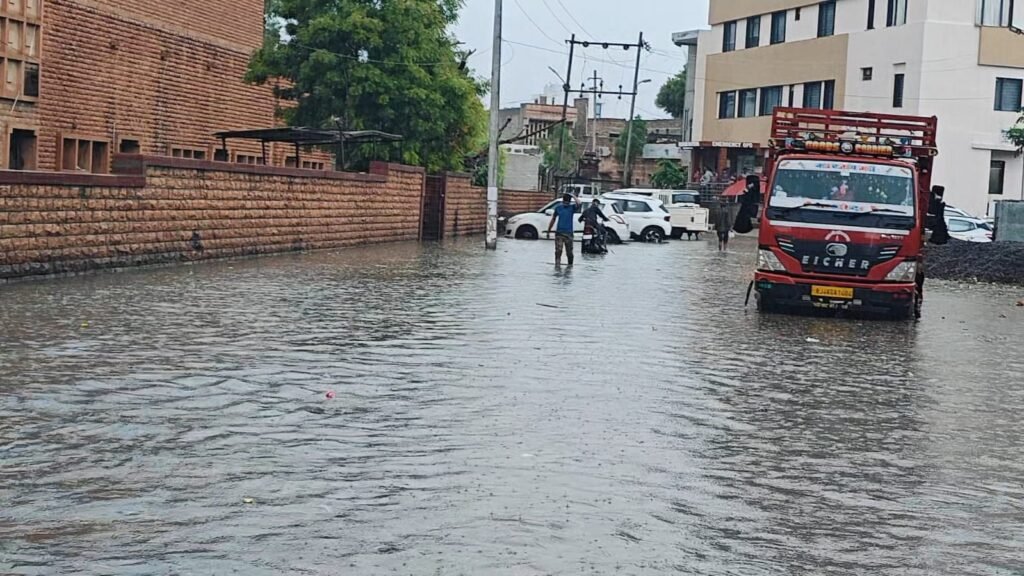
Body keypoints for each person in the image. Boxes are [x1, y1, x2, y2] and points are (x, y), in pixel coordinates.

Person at [547, 193, 579, 265]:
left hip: (569, 233)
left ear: (569, 202)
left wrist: (573, 196)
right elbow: (553, 219)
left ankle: (570, 265)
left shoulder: (572, 208)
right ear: (563, 201)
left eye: (567, 202)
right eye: (565, 202)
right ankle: (557, 265)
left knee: (569, 252)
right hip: (559, 233)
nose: (566, 203)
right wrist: (549, 230)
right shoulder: (558, 208)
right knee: (558, 251)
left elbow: (579, 203)